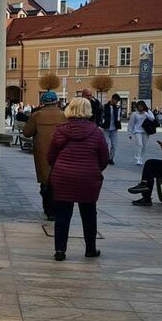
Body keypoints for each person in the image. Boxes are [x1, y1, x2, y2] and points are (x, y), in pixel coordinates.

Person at [47, 97, 108, 260]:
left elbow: (50, 156)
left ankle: (60, 251)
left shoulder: (60, 130)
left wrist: (60, 167)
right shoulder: (96, 131)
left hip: (63, 176)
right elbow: (104, 157)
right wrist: (93, 169)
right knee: (89, 213)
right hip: (88, 178)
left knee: (62, 214)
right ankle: (90, 249)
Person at [22, 91, 66, 220]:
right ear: (56, 101)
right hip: (60, 152)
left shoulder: (36, 115)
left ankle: (48, 209)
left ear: (43, 102)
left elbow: (27, 133)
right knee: (58, 181)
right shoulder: (64, 115)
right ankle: (56, 209)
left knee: (45, 181)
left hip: (42, 153)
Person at [126, 101, 156, 165]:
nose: (140, 108)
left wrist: (145, 113)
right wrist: (129, 133)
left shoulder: (148, 112)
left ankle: (141, 158)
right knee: (139, 144)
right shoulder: (134, 114)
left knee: (144, 146)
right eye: (139, 107)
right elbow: (131, 123)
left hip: (146, 131)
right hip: (137, 131)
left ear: (144, 106)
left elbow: (152, 119)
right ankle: (137, 158)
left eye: (141, 107)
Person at [100, 94, 123, 164]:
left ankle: (111, 158)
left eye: (117, 101)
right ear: (113, 99)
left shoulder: (117, 108)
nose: (116, 102)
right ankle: (104, 157)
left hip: (114, 129)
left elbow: (118, 118)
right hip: (106, 128)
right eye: (116, 100)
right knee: (105, 143)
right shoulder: (105, 106)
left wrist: (118, 125)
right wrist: (101, 124)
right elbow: (102, 116)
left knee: (114, 144)